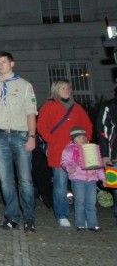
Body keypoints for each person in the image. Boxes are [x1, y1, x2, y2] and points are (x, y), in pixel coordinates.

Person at [0, 52, 38, 232]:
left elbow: (31, 112)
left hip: (21, 135)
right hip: (0, 136)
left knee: (25, 180)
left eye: (4, 62)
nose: (0, 65)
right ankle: (11, 217)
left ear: (12, 63)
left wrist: (32, 136)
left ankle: (29, 218)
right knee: (5, 180)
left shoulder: (24, 85)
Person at [37, 79, 92, 227]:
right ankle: (62, 214)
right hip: (59, 151)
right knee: (60, 184)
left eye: (68, 87)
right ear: (56, 90)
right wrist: (52, 140)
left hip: (77, 152)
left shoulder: (76, 107)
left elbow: (87, 125)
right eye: (63, 88)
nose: (67, 90)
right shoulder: (49, 106)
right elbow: (41, 125)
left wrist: (85, 140)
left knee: (79, 184)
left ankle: (82, 216)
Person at [60, 126, 106, 231]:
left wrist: (103, 178)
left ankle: (92, 224)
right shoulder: (69, 150)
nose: (83, 139)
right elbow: (64, 162)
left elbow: (98, 166)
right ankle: (80, 224)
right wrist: (69, 168)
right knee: (80, 201)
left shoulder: (91, 149)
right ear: (73, 139)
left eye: (84, 137)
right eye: (79, 137)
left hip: (92, 180)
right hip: (77, 179)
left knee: (91, 202)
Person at [96, 84, 116, 222]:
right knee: (115, 187)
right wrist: (105, 154)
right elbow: (102, 132)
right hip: (113, 157)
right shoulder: (110, 106)